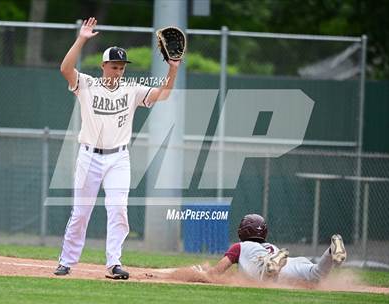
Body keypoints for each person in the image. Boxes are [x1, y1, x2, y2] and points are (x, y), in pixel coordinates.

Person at [54, 17, 181, 279]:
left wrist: (173, 68)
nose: (119, 71)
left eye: (122, 67)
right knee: (81, 212)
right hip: (89, 156)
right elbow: (66, 68)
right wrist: (81, 39)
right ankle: (66, 261)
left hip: (119, 158)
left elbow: (164, 93)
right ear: (103, 66)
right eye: (114, 66)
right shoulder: (87, 85)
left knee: (119, 210)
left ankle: (114, 264)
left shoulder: (132, 89)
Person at [202, 214, 347, 283]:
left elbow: (217, 271)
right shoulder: (269, 246)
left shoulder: (240, 246)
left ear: (243, 231)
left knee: (263, 275)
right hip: (292, 262)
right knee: (317, 274)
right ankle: (331, 249)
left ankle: (271, 266)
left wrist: (204, 273)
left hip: (268, 265)